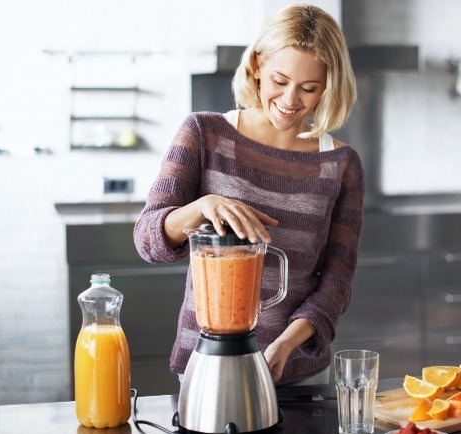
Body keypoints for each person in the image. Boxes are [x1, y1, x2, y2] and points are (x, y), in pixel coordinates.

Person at [133, 3, 364, 386]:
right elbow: (146, 239)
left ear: (328, 86)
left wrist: (287, 344)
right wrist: (201, 208)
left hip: (295, 373)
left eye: (309, 88)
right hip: (207, 365)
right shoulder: (203, 134)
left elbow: (336, 282)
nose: (291, 100)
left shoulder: (341, 164)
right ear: (256, 66)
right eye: (280, 80)